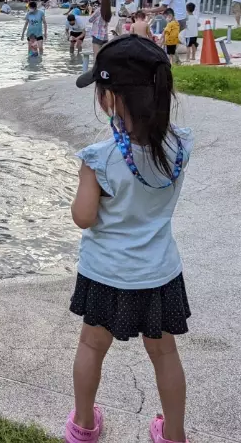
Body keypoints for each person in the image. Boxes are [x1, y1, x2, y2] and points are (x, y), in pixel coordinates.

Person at [66, 35, 193, 443]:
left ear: (112, 99)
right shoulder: (179, 147)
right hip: (157, 274)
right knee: (164, 353)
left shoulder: (99, 158)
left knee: (90, 347)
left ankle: (84, 425)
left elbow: (83, 218)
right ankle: (173, 433)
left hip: (107, 274)